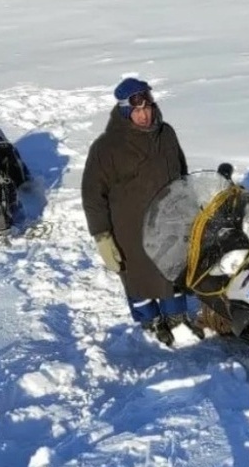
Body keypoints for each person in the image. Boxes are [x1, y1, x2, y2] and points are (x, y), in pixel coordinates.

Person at [81, 77, 204, 346]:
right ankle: (151, 320)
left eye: (147, 108)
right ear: (126, 112)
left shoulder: (166, 133)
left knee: (171, 271)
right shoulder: (106, 147)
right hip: (130, 228)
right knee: (138, 277)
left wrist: (192, 207)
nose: (144, 114)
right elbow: (92, 195)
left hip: (170, 221)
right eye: (137, 110)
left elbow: (181, 172)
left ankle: (176, 318)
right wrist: (102, 236)